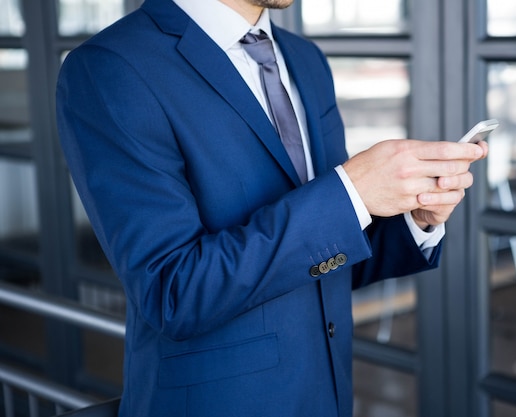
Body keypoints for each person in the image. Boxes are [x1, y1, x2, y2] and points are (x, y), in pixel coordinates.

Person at [55, 0, 488, 416]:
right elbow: (173, 291)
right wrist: (351, 193)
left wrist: (415, 219)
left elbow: (323, 261)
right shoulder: (110, 67)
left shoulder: (305, 59)